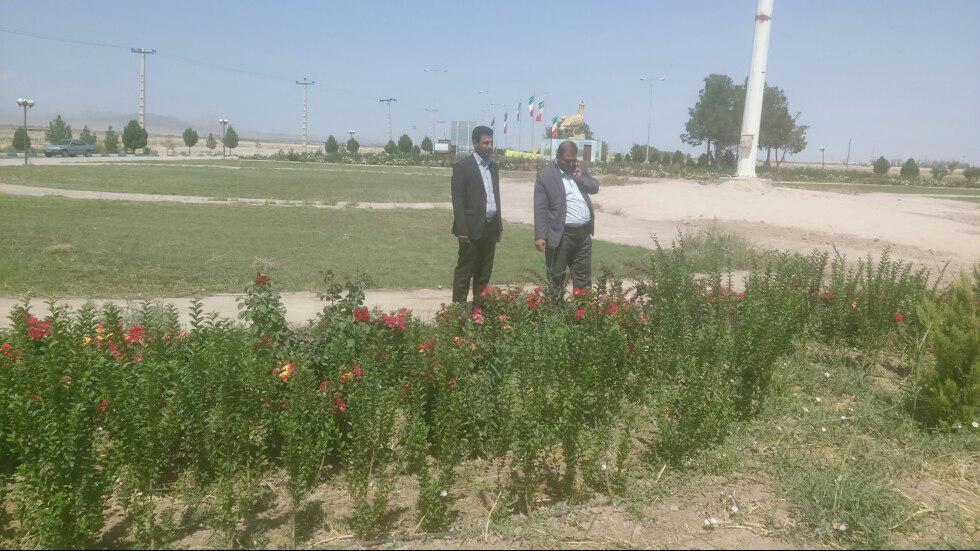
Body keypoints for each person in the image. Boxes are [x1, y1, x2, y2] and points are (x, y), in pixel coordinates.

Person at [533, 140, 600, 298]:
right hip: (560, 235)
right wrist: (540, 236)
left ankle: (583, 309)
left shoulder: (578, 169)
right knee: (556, 276)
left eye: (574, 160)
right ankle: (556, 309)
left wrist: (580, 178)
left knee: (583, 277)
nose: (571, 164)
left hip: (583, 234)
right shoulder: (546, 175)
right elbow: (540, 207)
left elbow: (594, 187)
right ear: (558, 157)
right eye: (567, 160)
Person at [450, 126, 502, 308]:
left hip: (490, 228)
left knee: (484, 274)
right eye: (485, 143)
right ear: (475, 143)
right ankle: (458, 314)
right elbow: (458, 201)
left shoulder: (493, 167)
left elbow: (495, 197)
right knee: (465, 273)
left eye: (491, 142)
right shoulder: (463, 167)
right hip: (470, 230)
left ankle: (479, 312)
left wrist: (498, 226)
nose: (489, 146)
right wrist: (462, 231)